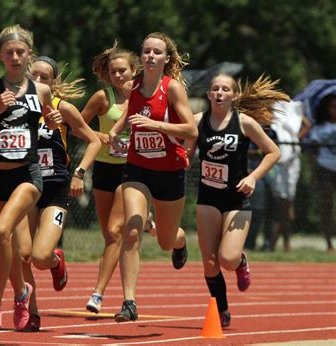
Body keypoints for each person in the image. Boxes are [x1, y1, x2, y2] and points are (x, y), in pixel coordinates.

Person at [0, 24, 62, 331]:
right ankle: (22, 292)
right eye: (9, 52)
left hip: (28, 175)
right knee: (3, 241)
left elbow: (50, 118)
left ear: (29, 55)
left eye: (20, 52)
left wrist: (53, 118)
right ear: (0, 56)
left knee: (3, 229)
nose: (15, 57)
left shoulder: (42, 90)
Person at [185, 74, 287, 328]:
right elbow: (186, 155)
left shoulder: (244, 123)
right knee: (210, 263)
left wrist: (253, 177)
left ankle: (241, 261)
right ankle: (221, 310)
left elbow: (273, 152)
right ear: (209, 95)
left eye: (225, 89)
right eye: (215, 89)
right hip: (208, 197)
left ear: (233, 96)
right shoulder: (197, 122)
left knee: (227, 259)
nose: (219, 93)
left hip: (236, 199)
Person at [108, 32, 197, 322]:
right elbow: (130, 115)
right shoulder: (133, 87)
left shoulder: (172, 89)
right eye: (146, 51)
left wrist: (155, 125)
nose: (149, 56)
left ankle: (180, 240)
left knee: (165, 240)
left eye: (156, 52)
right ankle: (129, 302)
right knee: (132, 229)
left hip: (169, 171)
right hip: (137, 167)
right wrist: (116, 130)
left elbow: (191, 131)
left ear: (166, 59)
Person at [13, 56, 100, 331]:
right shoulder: (14, 106)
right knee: (22, 254)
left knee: (40, 257)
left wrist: (80, 173)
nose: (38, 81)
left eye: (45, 78)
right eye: (34, 76)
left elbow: (95, 141)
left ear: (53, 83)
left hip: (54, 189)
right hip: (25, 186)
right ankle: (33, 312)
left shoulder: (63, 109)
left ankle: (55, 260)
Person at [80, 41, 139, 314]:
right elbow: (79, 125)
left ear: (133, 70)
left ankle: (97, 294)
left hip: (132, 170)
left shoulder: (143, 98)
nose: (118, 76)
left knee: (115, 232)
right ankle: (164, 231)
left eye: (123, 71)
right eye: (113, 72)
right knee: (110, 235)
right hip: (105, 169)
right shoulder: (103, 98)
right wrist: (101, 136)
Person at [270, 100, 311, 251]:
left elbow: (307, 124)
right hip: (279, 162)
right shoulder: (275, 110)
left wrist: (295, 139)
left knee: (285, 207)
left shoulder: (293, 110)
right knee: (283, 206)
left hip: (291, 161)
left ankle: (279, 244)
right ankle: (277, 243)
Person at [307, 93, 336, 252]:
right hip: (324, 170)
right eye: (333, 107)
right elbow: (313, 149)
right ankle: (329, 244)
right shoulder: (320, 128)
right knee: (326, 208)